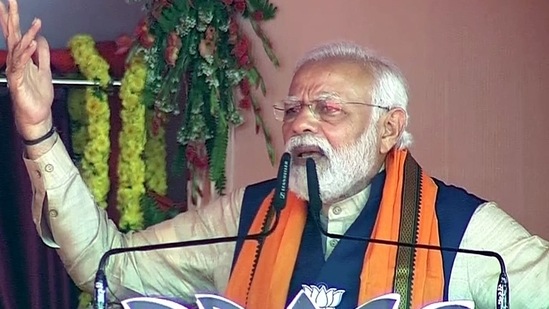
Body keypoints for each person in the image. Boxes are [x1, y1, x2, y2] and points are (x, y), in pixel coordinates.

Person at [2, 0, 549, 308]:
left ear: (389, 128)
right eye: (293, 109)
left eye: (327, 109)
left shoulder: (468, 234)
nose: (301, 123)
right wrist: (38, 129)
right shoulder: (246, 218)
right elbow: (107, 266)